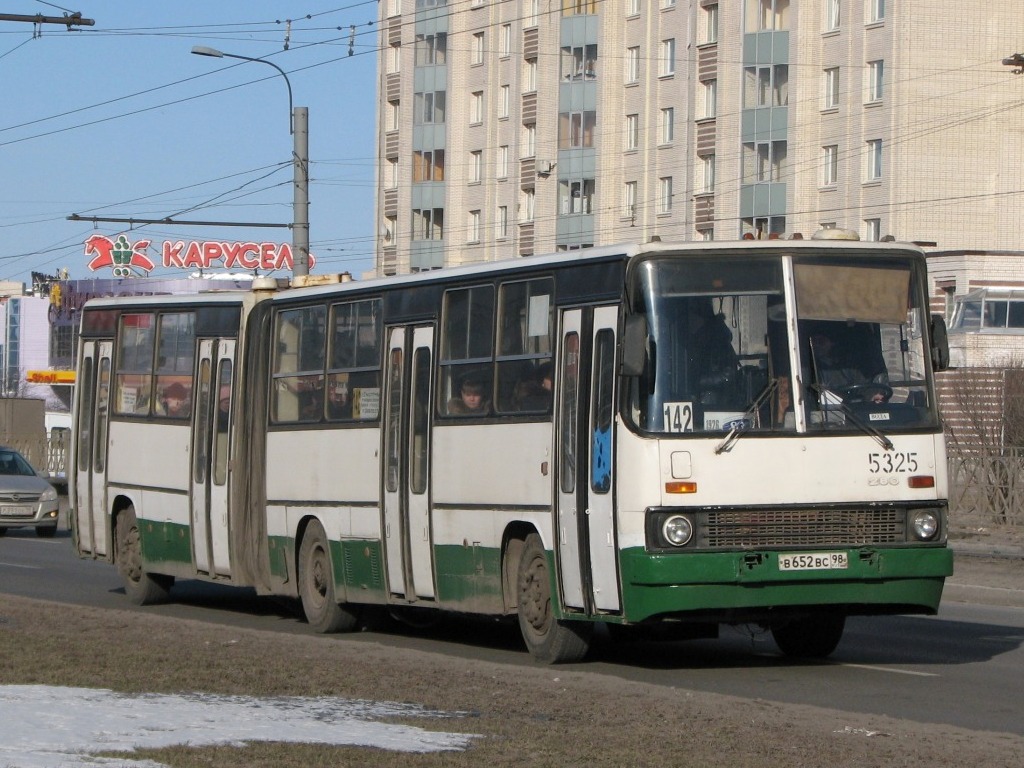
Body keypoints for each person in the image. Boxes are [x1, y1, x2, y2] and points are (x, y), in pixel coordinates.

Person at [810, 332, 889, 404]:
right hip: (827, 414)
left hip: (852, 413)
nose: (817, 345)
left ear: (832, 343)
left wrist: (873, 396)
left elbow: (862, 387)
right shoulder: (809, 368)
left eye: (821, 342)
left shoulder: (848, 367)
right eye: (814, 342)